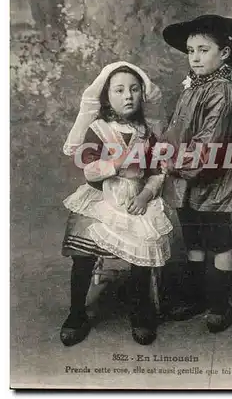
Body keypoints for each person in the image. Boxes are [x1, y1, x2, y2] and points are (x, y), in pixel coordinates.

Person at [160, 14, 232, 333]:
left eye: (203, 50)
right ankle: (197, 297)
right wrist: (160, 150)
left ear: (225, 53)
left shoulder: (222, 91)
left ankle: (219, 304)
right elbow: (177, 131)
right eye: (190, 50)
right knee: (192, 236)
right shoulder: (195, 87)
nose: (194, 57)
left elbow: (209, 146)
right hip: (188, 179)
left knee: (218, 238)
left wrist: (172, 163)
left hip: (215, 179)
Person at [60, 61, 173, 347]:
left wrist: (145, 195)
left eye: (134, 89)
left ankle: (140, 311)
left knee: (143, 247)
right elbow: (88, 169)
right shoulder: (98, 129)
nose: (128, 96)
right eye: (119, 90)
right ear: (107, 96)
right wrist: (117, 162)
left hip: (136, 198)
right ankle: (76, 313)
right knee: (83, 251)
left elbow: (159, 171)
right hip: (103, 198)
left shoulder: (148, 134)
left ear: (142, 95)